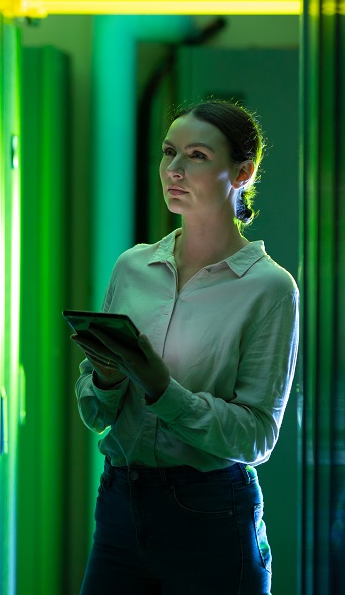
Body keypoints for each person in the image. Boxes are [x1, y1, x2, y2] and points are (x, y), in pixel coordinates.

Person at [72, 100, 299, 594]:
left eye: (195, 155)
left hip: (210, 513)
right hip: (119, 502)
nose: (173, 170)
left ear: (243, 171)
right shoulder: (132, 267)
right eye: (168, 152)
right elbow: (96, 414)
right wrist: (107, 379)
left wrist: (161, 389)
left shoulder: (270, 289)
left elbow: (257, 437)